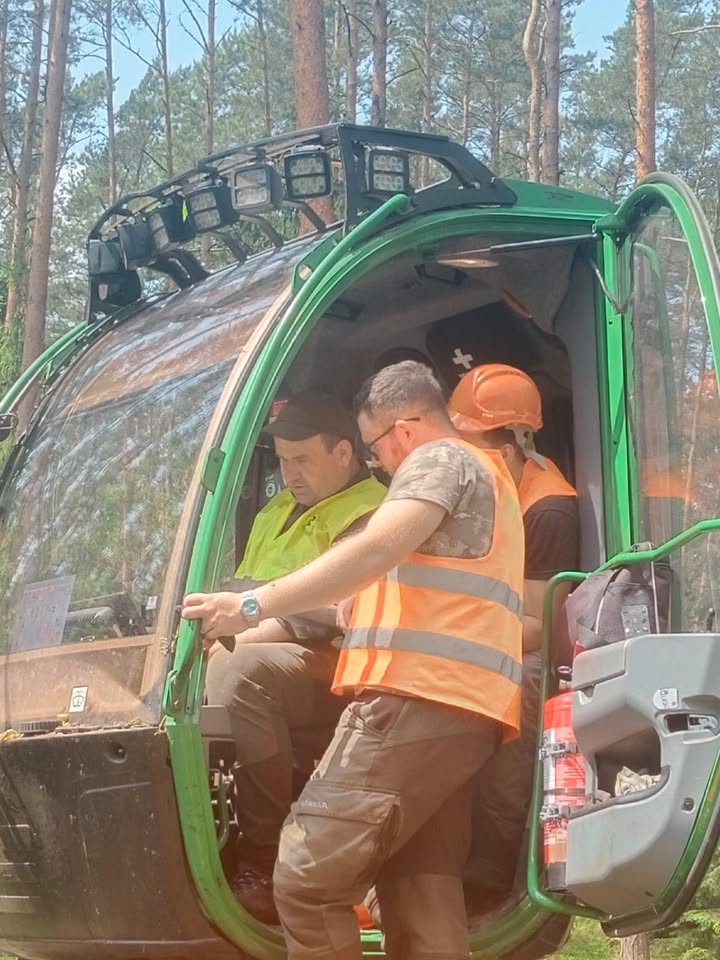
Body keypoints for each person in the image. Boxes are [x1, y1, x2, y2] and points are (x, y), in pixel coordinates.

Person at [183, 360, 525, 960]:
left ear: (404, 430)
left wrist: (252, 605)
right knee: (421, 898)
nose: (380, 466)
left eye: (375, 449)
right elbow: (406, 584)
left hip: (415, 697)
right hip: (464, 712)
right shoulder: (488, 476)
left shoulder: (439, 459)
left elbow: (373, 550)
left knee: (306, 880)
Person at [205, 391, 386, 923]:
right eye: (283, 460)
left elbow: (339, 609)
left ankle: (264, 861)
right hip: (270, 643)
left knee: (239, 672)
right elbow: (242, 584)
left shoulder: (375, 513)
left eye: (302, 459)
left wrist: (242, 633)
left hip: (341, 666)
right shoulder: (276, 510)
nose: (289, 474)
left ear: (344, 452)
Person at [447, 362, 579, 904]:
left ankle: (492, 865)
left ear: (505, 452)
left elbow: (537, 628)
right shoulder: (488, 491)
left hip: (527, 651)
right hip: (481, 635)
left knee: (518, 682)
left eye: (469, 451)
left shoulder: (548, 510)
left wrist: (454, 633)